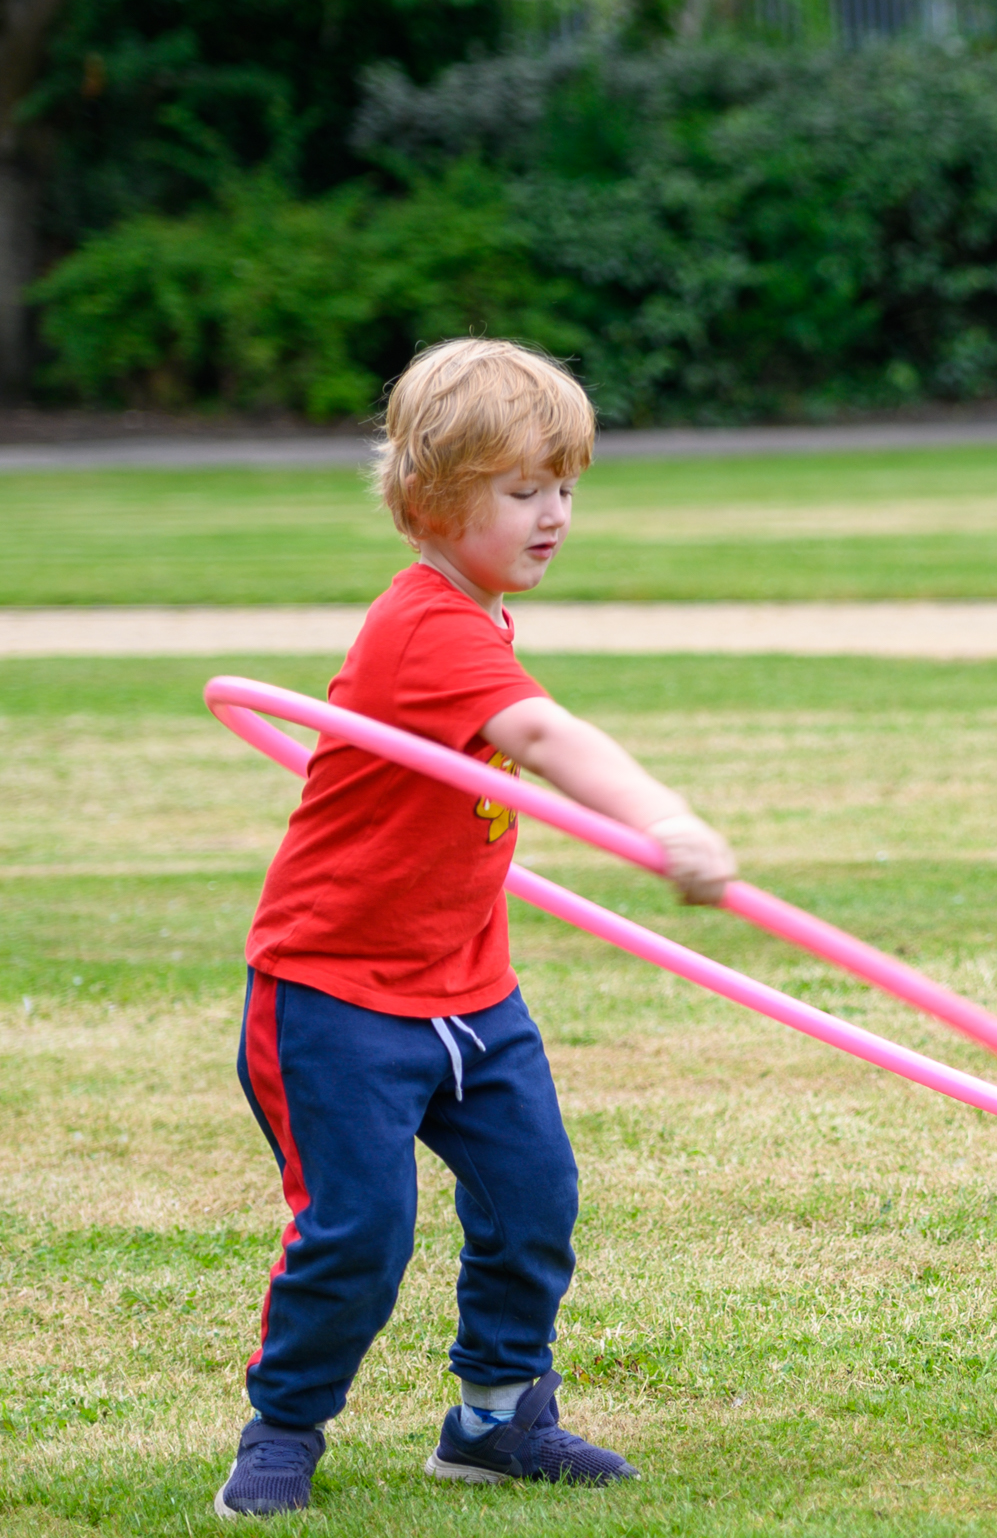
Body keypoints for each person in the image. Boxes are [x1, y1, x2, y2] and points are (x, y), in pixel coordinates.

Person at [215, 338, 739, 1519]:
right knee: (359, 1231)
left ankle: (497, 1420)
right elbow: (549, 743)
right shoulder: (428, 629)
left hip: (469, 992)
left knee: (532, 1200)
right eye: (522, 491)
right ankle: (283, 1428)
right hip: (337, 997)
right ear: (430, 499)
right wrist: (664, 821)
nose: (555, 514)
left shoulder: (480, 614)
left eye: (565, 486)